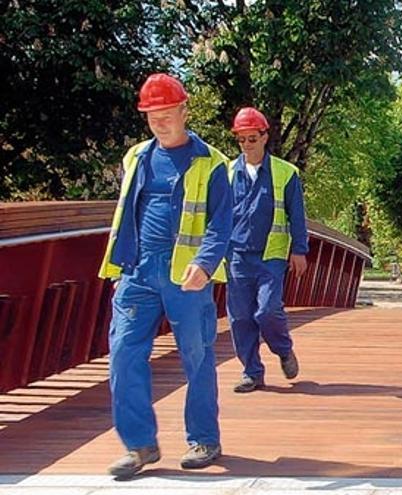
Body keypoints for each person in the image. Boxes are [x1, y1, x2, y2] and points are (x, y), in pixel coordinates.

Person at [98, 73, 232, 477]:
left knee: (197, 355)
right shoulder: (136, 156)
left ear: (183, 111)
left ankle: (204, 438)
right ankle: (140, 446)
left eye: (166, 113)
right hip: (138, 272)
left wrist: (205, 263)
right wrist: (122, 266)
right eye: (151, 114)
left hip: (186, 275)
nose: (159, 121)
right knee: (123, 353)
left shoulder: (212, 162)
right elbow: (128, 213)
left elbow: (222, 222)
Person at [226, 107, 309, 393]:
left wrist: (299, 250)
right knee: (240, 317)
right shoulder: (225, 173)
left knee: (267, 310)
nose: (247, 145)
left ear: (265, 137)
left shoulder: (286, 174)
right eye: (241, 140)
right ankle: (252, 372)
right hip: (236, 255)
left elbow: (296, 215)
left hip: (270, 254)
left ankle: (283, 349)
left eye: (252, 138)